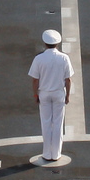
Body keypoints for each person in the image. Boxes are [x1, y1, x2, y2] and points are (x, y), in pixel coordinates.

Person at [29, 28, 74, 165]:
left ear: (44, 43)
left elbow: (35, 80)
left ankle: (47, 153)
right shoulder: (64, 58)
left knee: (46, 123)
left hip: (44, 93)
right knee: (58, 124)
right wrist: (67, 96)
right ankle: (56, 154)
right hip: (59, 93)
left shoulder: (39, 58)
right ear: (58, 43)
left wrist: (36, 94)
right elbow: (68, 79)